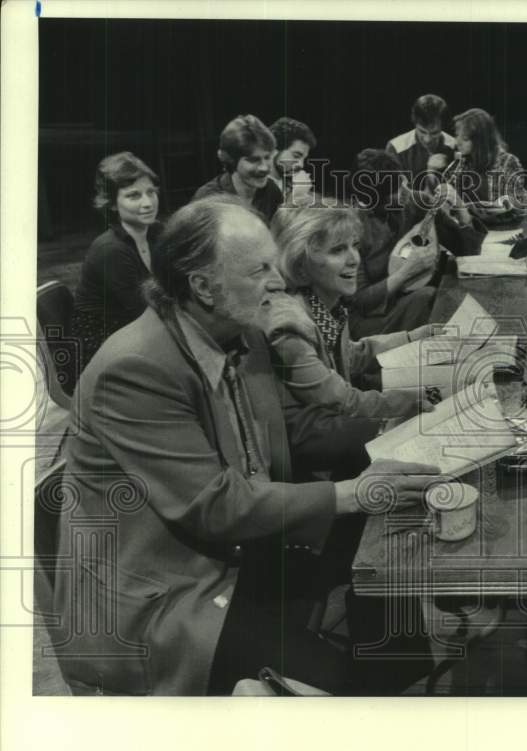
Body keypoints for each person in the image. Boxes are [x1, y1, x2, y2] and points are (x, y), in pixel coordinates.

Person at [51, 198, 440, 696]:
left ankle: (401, 684)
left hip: (234, 552)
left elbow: (291, 433)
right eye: (259, 270)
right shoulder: (134, 368)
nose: (278, 282)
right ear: (203, 286)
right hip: (166, 595)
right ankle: (366, 701)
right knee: (339, 683)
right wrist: (351, 492)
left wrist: (400, 439)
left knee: (391, 548)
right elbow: (214, 506)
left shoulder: (241, 332)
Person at [269, 203, 438, 418]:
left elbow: (351, 356)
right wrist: (409, 402)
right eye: (337, 250)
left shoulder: (325, 305)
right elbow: (343, 403)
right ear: (300, 265)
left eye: (354, 246)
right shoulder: (291, 327)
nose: (354, 259)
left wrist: (413, 338)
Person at [348, 148, 485, 339]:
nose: (405, 191)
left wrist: (461, 209)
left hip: (424, 298)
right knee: (428, 297)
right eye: (397, 190)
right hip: (377, 319)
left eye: (402, 181)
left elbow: (468, 251)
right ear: (377, 200)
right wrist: (406, 272)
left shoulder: (417, 202)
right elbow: (359, 301)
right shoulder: (352, 227)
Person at [71, 152, 164, 372]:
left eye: (151, 192)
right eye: (134, 196)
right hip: (102, 347)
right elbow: (145, 313)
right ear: (112, 204)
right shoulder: (111, 250)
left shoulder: (157, 233)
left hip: (137, 329)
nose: (148, 203)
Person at [193, 114, 284, 223]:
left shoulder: (272, 191)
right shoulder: (207, 199)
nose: (264, 168)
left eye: (267, 157)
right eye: (253, 160)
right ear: (231, 160)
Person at [452, 107, 527, 219]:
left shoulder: (508, 161)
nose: (457, 142)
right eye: (457, 135)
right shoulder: (462, 162)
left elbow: (521, 204)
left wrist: (508, 205)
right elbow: (446, 197)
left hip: (501, 225)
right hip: (470, 225)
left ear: (480, 140)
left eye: (465, 138)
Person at [386, 93, 457, 181]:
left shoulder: (455, 147)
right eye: (422, 132)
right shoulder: (396, 148)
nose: (428, 139)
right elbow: (393, 188)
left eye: (434, 133)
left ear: (443, 127)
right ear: (415, 124)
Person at [268, 116, 317, 203]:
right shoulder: (252, 183)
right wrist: (295, 197)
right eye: (296, 156)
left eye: (304, 158)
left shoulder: (291, 185)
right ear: (274, 149)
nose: (301, 165)